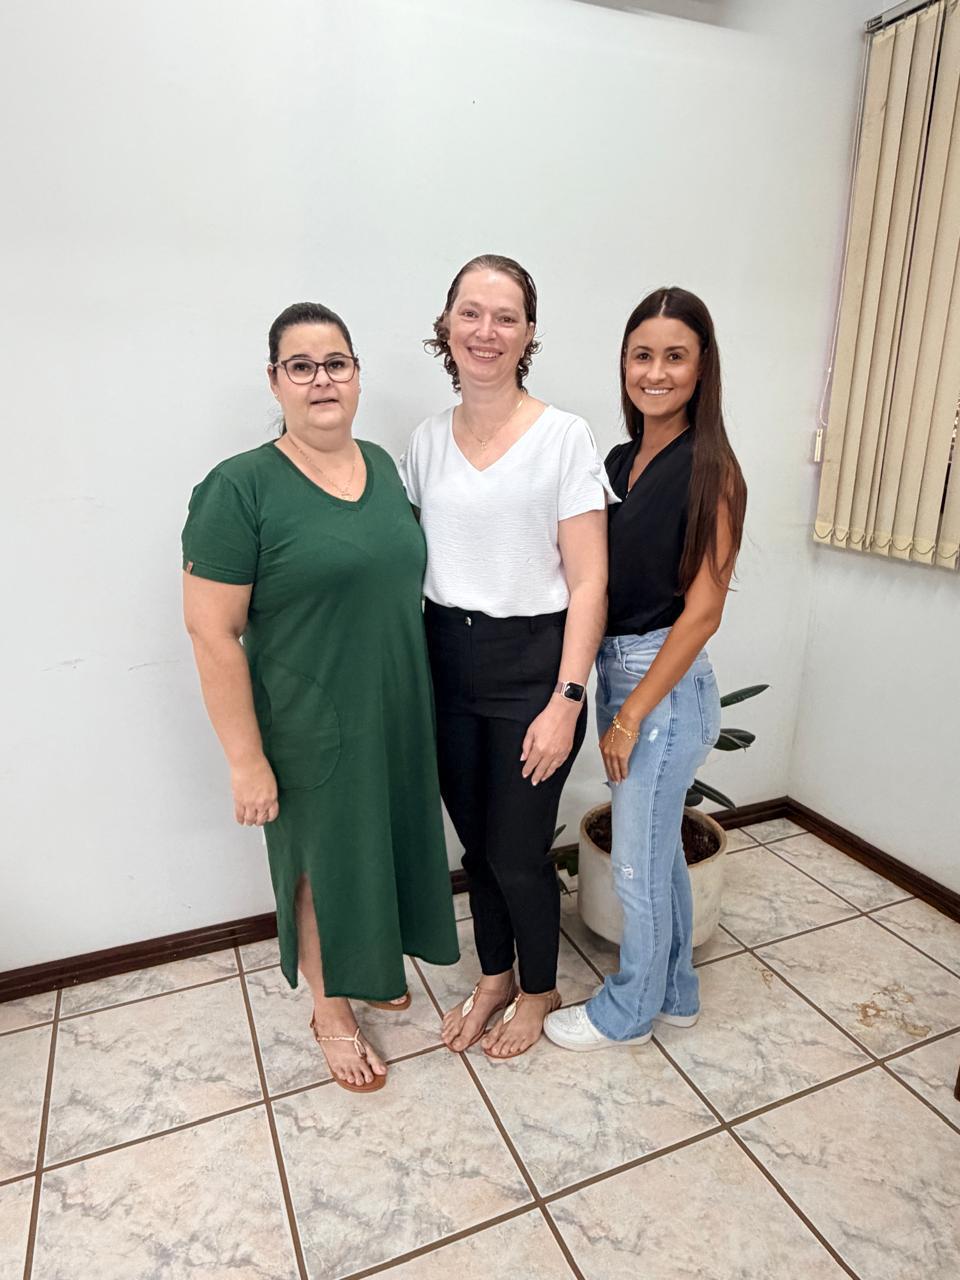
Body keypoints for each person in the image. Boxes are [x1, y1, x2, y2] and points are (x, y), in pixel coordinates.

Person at [182, 302, 459, 1093]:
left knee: (382, 842)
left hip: (394, 705)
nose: (321, 380)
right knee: (318, 864)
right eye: (300, 367)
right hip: (309, 719)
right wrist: (245, 761)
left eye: (336, 363)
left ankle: (370, 968)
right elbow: (210, 631)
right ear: (275, 381)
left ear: (358, 375)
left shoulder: (381, 466)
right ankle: (330, 1010)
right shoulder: (239, 488)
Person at [400, 254, 612, 1060]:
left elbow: (589, 582)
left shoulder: (564, 437)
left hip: (535, 667)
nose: (486, 331)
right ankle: (495, 975)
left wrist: (567, 698)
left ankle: (539, 987)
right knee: (477, 848)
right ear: (446, 325)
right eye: (471, 312)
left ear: (527, 335)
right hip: (446, 662)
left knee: (519, 851)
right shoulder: (426, 441)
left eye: (506, 317)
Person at [544, 286, 747, 1052]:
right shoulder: (620, 461)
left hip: (663, 690)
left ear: (702, 367)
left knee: (634, 867)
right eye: (641, 355)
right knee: (657, 860)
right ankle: (678, 993)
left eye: (674, 356)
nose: (655, 372)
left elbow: (704, 611)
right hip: (620, 673)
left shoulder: (713, 469)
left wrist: (630, 714)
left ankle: (628, 1012)